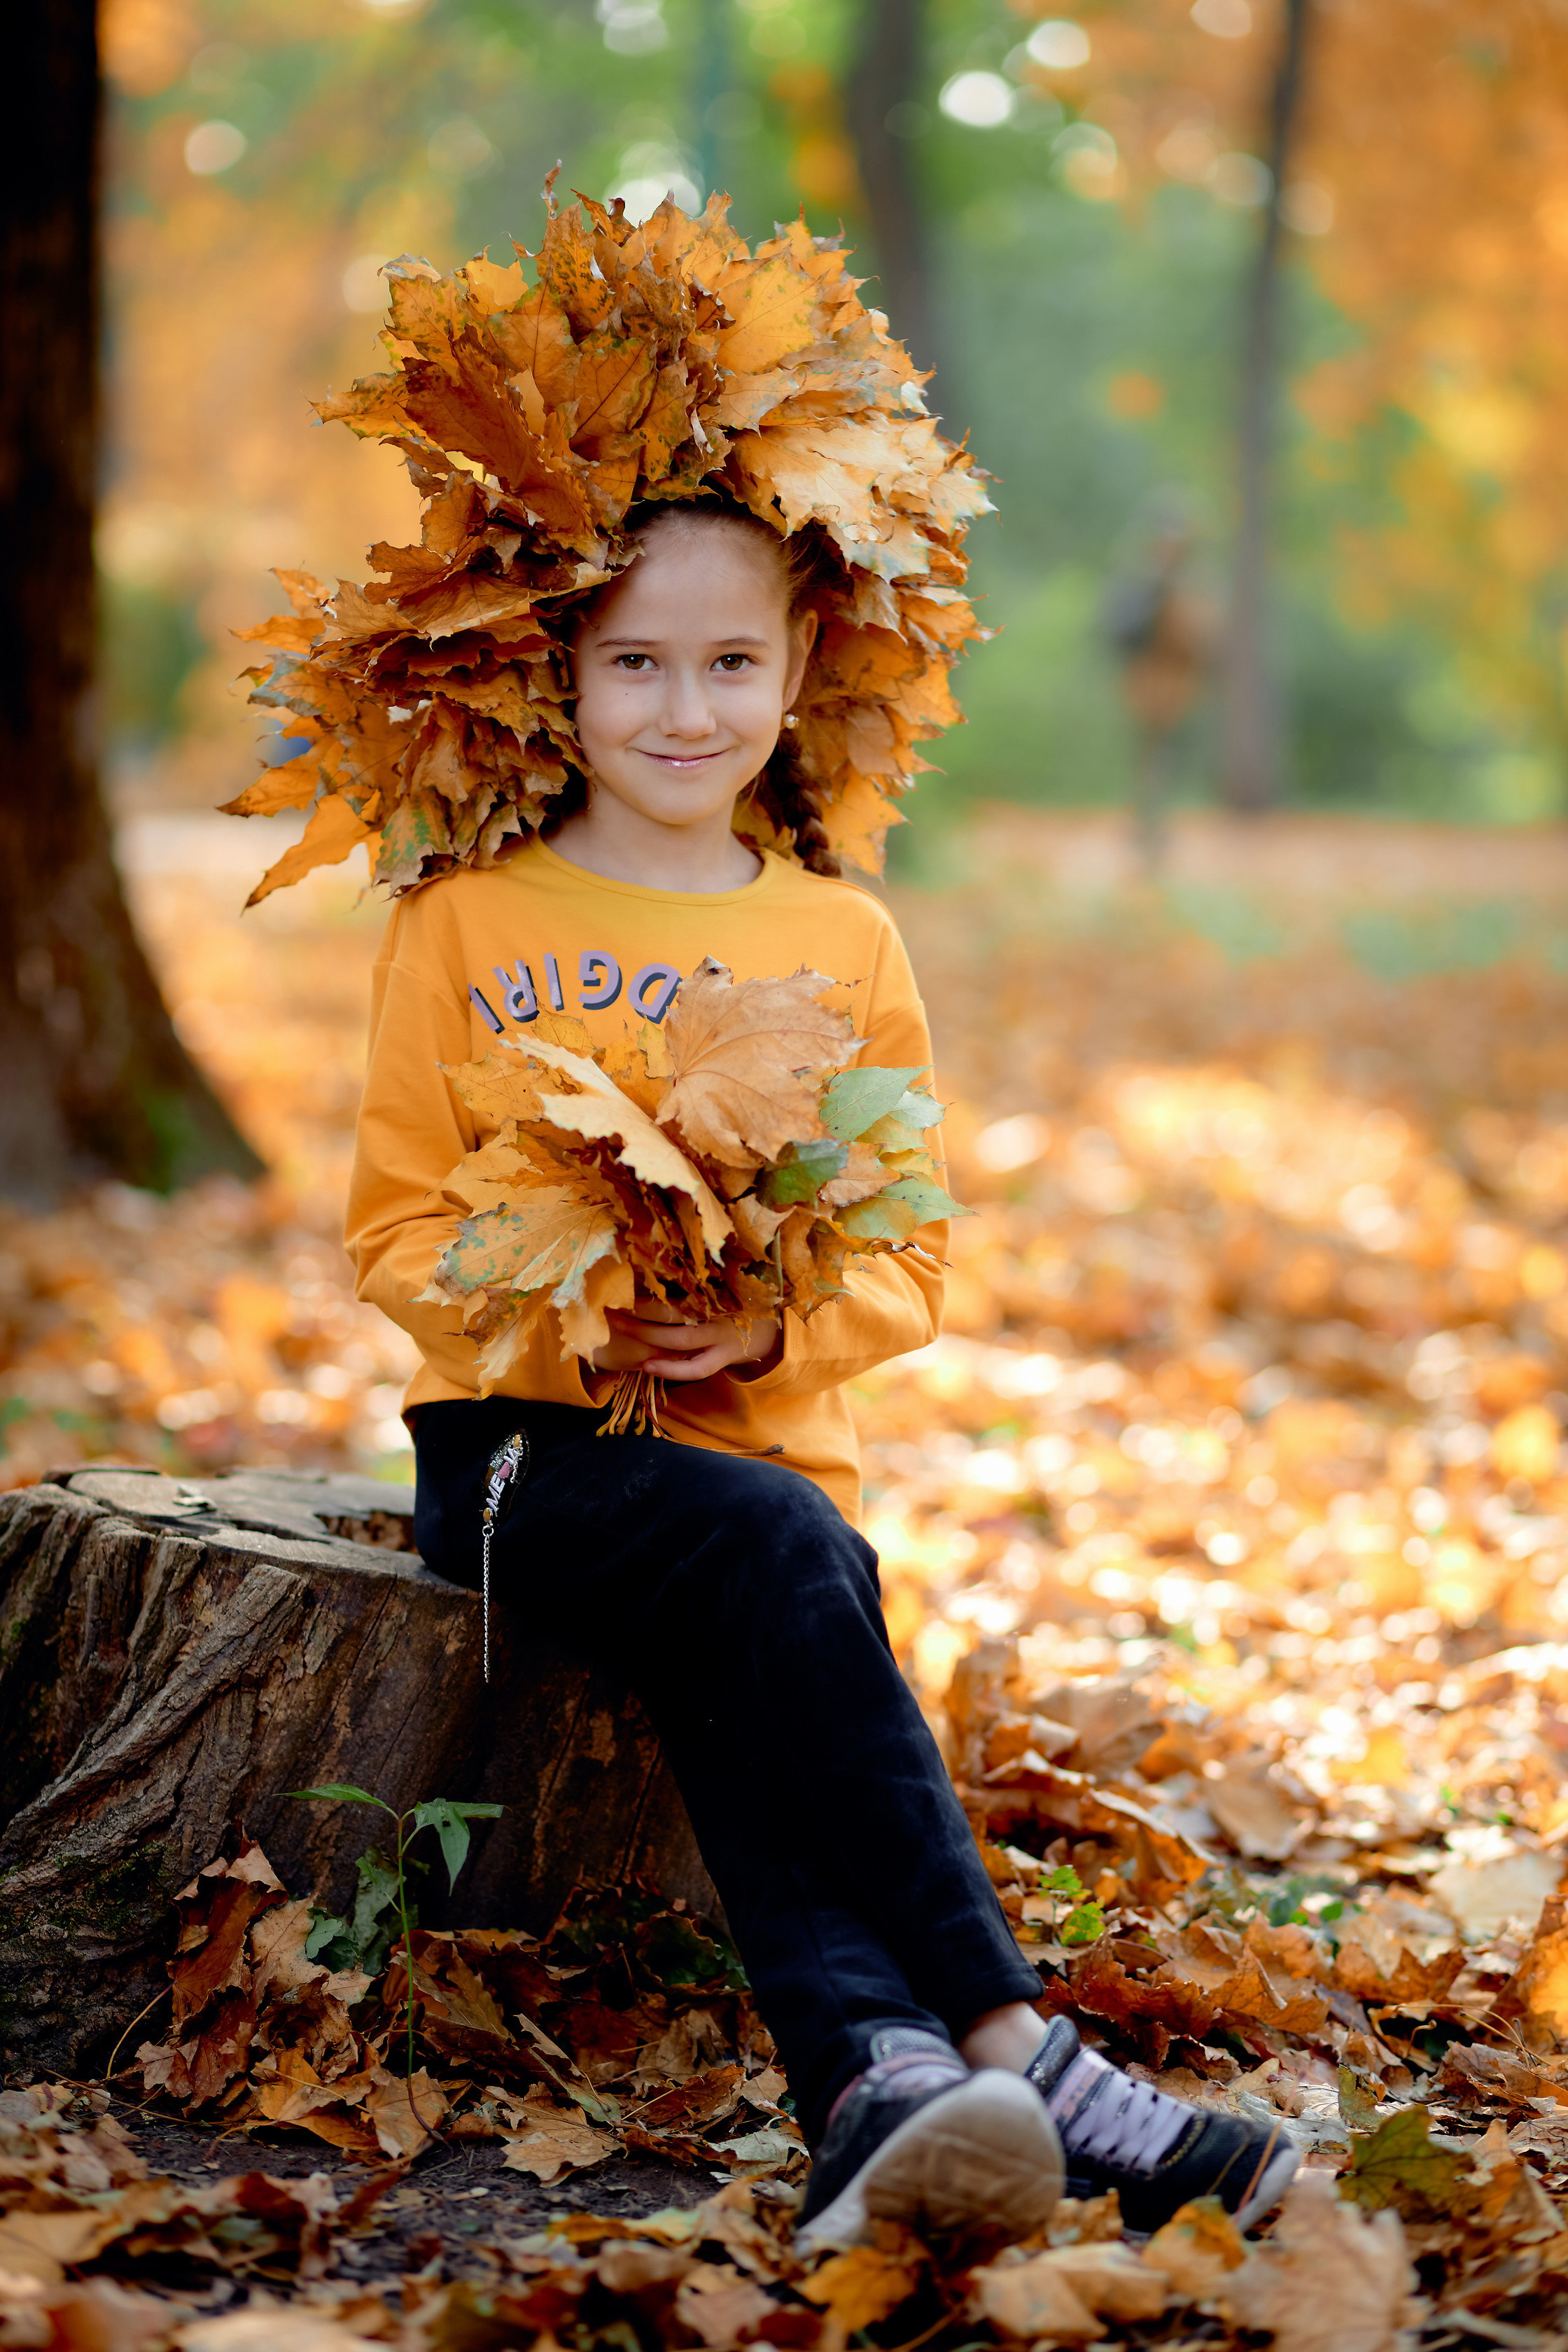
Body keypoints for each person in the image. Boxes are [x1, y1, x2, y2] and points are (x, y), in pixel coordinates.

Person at [255, 191, 1297, 2251]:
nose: (683, 707)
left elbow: (911, 1254)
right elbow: (389, 1235)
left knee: (765, 1591)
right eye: (634, 661)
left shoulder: (843, 938)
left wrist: (774, 1334)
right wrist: (569, 1316)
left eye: (730, 661)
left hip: (769, 1466)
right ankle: (1026, 2049)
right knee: (771, 1556)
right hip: (525, 1461)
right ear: (558, 669)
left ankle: (875, 2085)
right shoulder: (465, 924)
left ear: (800, 666)